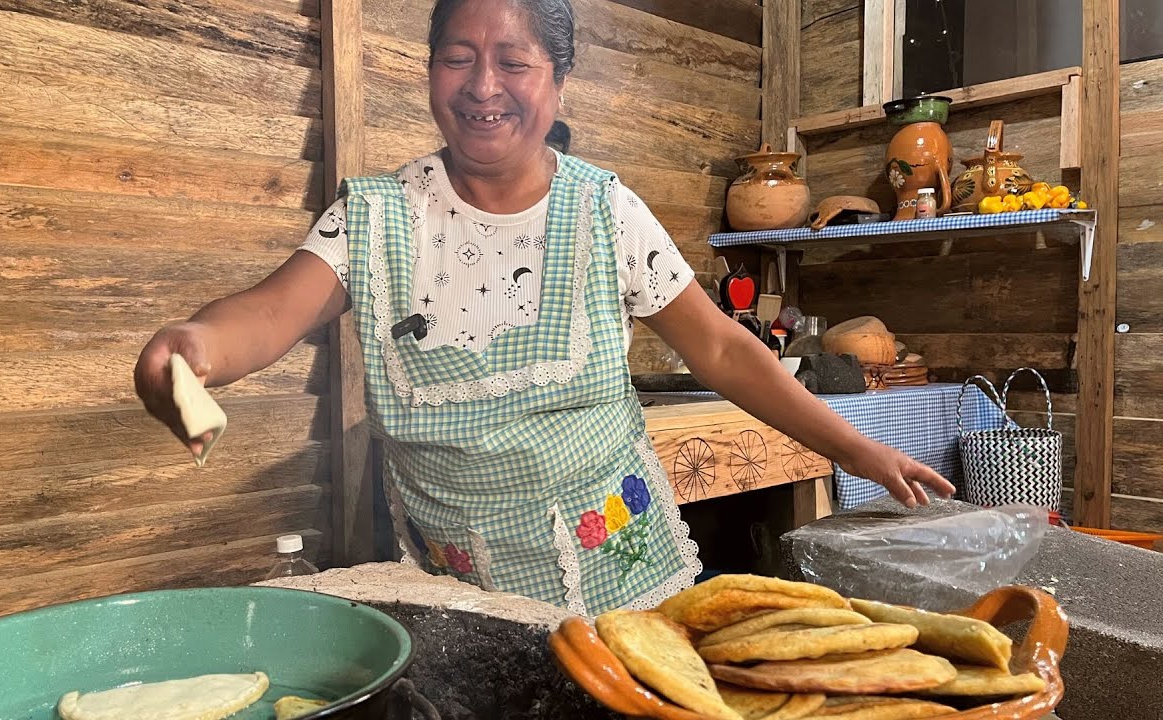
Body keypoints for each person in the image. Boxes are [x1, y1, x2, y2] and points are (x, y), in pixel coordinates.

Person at [134, 0, 954, 615]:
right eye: (458, 58)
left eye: (514, 62)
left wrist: (859, 451)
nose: (484, 86)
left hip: (628, 590)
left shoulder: (606, 212)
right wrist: (195, 347)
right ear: (429, 74)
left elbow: (725, 351)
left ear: (558, 82)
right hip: (464, 599)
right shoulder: (380, 217)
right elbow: (270, 314)